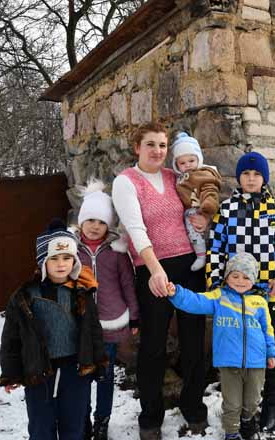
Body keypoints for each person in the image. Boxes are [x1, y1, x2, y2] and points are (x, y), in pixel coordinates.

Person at [112, 123, 208, 440]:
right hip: (152, 269)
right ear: (137, 147)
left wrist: (204, 218)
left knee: (194, 341)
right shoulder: (126, 181)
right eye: (150, 144)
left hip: (189, 267)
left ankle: (194, 408)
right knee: (153, 346)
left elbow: (199, 204)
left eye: (162, 145)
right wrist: (155, 270)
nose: (157, 151)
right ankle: (151, 417)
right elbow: (136, 229)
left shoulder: (174, 177)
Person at [207, 151, 275, 433]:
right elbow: (215, 249)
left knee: (270, 347)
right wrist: (216, 285)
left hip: (267, 293)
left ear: (264, 178)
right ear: (239, 177)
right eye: (246, 174)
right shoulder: (227, 210)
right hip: (235, 295)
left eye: (257, 174)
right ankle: (240, 410)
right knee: (239, 348)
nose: (251, 178)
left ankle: (270, 405)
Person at [0, 219, 108, 440]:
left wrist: (99, 363)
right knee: (41, 428)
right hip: (39, 374)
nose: (61, 264)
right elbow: (12, 338)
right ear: (43, 262)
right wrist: (11, 373)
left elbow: (93, 331)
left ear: (74, 260)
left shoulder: (82, 293)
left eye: (67, 258)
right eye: (54, 258)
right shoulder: (26, 296)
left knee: (74, 427)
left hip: (75, 372)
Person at [166, 252, 275, 440]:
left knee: (252, 401)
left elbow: (268, 329)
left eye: (246, 277)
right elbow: (196, 301)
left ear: (253, 279)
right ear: (227, 277)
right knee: (232, 403)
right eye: (235, 276)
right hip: (229, 362)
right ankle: (231, 432)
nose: (240, 281)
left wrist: (271, 352)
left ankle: (247, 422)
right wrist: (176, 293)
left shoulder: (260, 302)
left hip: (256, 362)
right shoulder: (220, 297)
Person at [73, 178, 140, 440]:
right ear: (81, 221)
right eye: (90, 220)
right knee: (81, 376)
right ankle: (83, 420)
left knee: (105, 376)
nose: (95, 226)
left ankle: (102, 421)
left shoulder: (116, 252)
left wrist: (134, 316)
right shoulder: (71, 250)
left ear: (108, 225)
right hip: (79, 324)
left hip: (110, 323)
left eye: (101, 222)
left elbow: (128, 284)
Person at [170, 132, 221, 272]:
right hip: (186, 211)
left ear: (199, 158)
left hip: (198, 209)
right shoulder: (180, 177)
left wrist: (207, 209)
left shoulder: (203, 175)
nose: (187, 165)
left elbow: (210, 190)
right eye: (182, 163)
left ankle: (201, 255)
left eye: (191, 161)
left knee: (194, 230)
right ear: (176, 164)